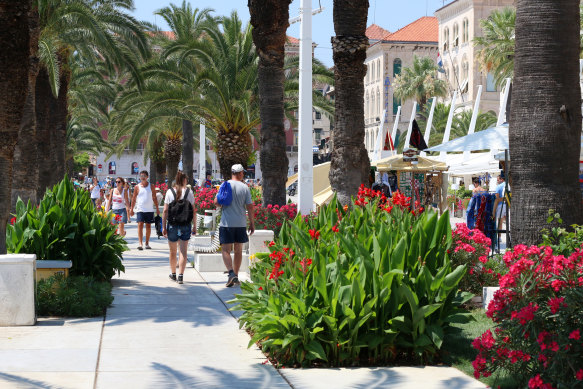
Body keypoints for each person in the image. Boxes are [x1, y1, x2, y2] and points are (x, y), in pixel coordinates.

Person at [214, 164, 255, 287]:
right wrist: (252, 223)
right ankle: (235, 276)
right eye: (243, 172)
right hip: (240, 223)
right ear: (240, 173)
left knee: (226, 250)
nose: (243, 174)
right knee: (238, 250)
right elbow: (250, 206)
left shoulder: (225, 185)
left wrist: (224, 205)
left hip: (226, 223)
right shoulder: (245, 187)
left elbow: (216, 202)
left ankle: (231, 273)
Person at [163, 171, 196, 284]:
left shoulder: (169, 192)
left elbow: (165, 211)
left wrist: (163, 227)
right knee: (183, 251)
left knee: (172, 251)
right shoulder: (189, 192)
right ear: (184, 180)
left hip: (172, 224)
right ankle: (181, 276)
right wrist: (195, 226)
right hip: (185, 224)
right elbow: (194, 211)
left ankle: (173, 274)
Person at [130, 170, 161, 250]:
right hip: (140, 209)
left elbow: (154, 198)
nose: (142, 177)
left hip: (149, 210)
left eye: (144, 176)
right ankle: (140, 243)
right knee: (140, 225)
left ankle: (147, 243)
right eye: (141, 176)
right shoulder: (137, 187)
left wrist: (157, 208)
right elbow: (133, 199)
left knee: (148, 226)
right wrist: (131, 209)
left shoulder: (151, 186)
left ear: (147, 177)